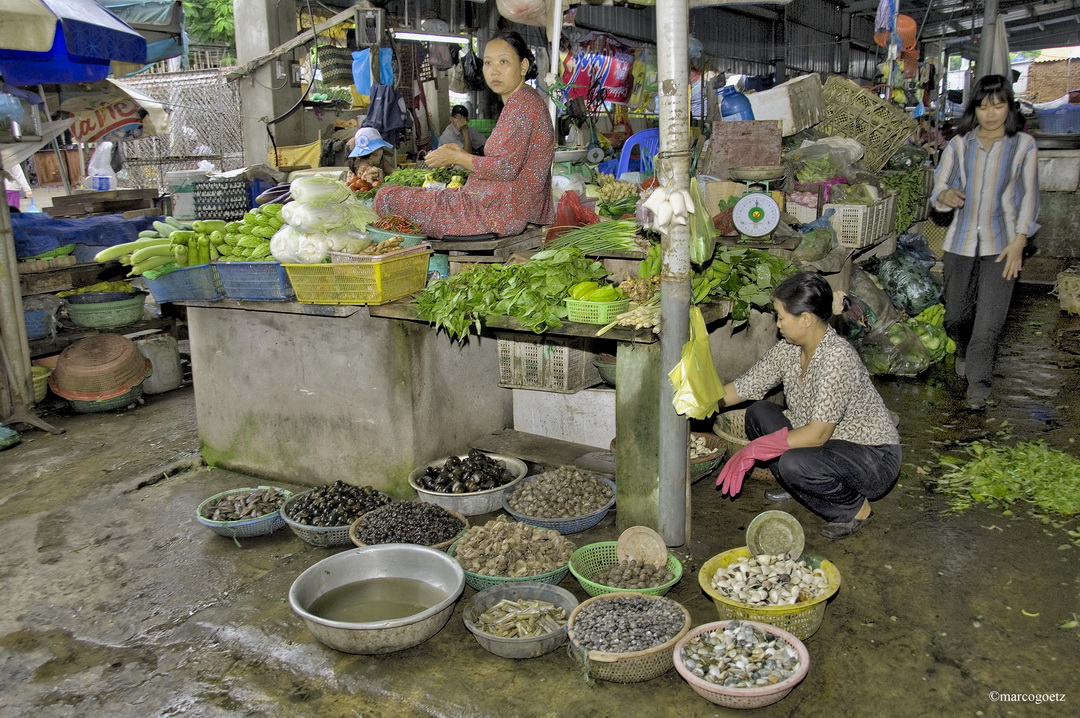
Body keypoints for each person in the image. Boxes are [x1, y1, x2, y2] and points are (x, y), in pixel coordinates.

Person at [715, 272, 902, 540]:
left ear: (805, 319)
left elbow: (817, 435)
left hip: (871, 457)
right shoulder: (790, 348)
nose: (777, 324)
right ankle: (798, 487)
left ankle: (855, 510)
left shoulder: (837, 358)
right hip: (825, 444)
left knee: (794, 462)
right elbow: (743, 387)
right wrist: (698, 402)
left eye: (781, 316)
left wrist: (757, 449)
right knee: (758, 413)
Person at [374, 31, 555, 239]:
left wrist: (456, 158)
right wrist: (459, 152)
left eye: (503, 62)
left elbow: (505, 168)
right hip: (497, 204)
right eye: (488, 63)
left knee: (387, 196)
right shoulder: (524, 100)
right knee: (400, 194)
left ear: (523, 66)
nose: (494, 71)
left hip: (497, 212)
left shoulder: (521, 105)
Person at [930, 74, 1039, 411]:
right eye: (983, 105)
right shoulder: (960, 145)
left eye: (999, 105)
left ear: (1009, 107)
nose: (991, 114)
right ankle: (962, 350)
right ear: (974, 108)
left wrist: (1021, 240)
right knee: (956, 315)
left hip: (1004, 244)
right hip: (960, 242)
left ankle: (978, 389)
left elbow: (1031, 196)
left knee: (989, 323)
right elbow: (938, 189)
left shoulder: (1023, 146)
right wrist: (945, 195)